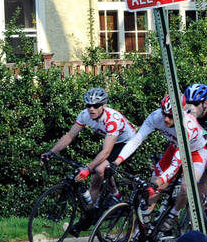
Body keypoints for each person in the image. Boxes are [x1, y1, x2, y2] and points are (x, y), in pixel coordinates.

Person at [42, 87, 136, 233]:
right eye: (88, 105)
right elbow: (69, 136)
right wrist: (51, 152)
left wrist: (88, 168)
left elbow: (106, 151)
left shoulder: (112, 120)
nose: (91, 109)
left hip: (127, 142)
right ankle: (88, 217)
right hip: (111, 142)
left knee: (99, 169)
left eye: (96, 106)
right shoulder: (85, 115)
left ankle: (116, 196)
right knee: (94, 181)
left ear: (104, 106)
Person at [113, 93, 207, 232]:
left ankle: (173, 215)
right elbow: (136, 139)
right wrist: (117, 161)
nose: (165, 119)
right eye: (164, 114)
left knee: (185, 186)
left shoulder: (187, 127)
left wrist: (157, 183)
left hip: (196, 153)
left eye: (170, 116)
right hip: (175, 147)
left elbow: (175, 165)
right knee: (151, 193)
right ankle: (139, 233)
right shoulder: (156, 117)